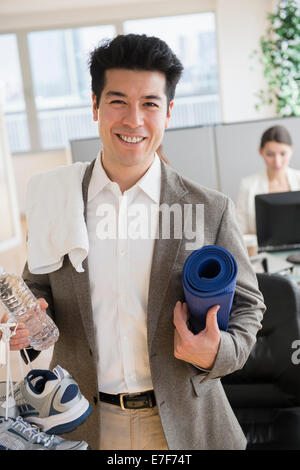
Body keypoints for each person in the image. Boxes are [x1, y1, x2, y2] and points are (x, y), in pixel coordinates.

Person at [4, 34, 265, 450]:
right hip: (82, 422)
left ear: (169, 112)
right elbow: (36, 286)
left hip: (184, 423)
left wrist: (218, 352)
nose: (134, 120)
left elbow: (249, 307)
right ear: (95, 107)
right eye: (118, 101)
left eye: (149, 104)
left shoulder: (209, 209)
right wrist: (25, 324)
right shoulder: (57, 200)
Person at [236, 125, 300, 235]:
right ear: (261, 152)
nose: (277, 162)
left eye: (283, 154)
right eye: (270, 154)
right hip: (261, 251)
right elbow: (240, 232)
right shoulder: (248, 185)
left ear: (291, 150)